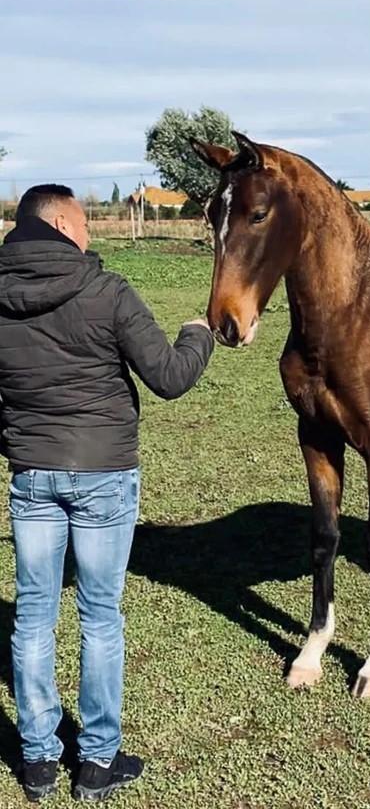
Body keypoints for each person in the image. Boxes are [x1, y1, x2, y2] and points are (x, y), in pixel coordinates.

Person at [0, 185, 214, 802]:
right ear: (64, 222)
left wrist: (19, 440)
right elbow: (170, 378)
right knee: (99, 615)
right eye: (87, 222)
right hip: (104, 474)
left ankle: (37, 759)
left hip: (32, 474)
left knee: (34, 615)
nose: (91, 232)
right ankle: (96, 761)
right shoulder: (107, 290)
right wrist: (196, 333)